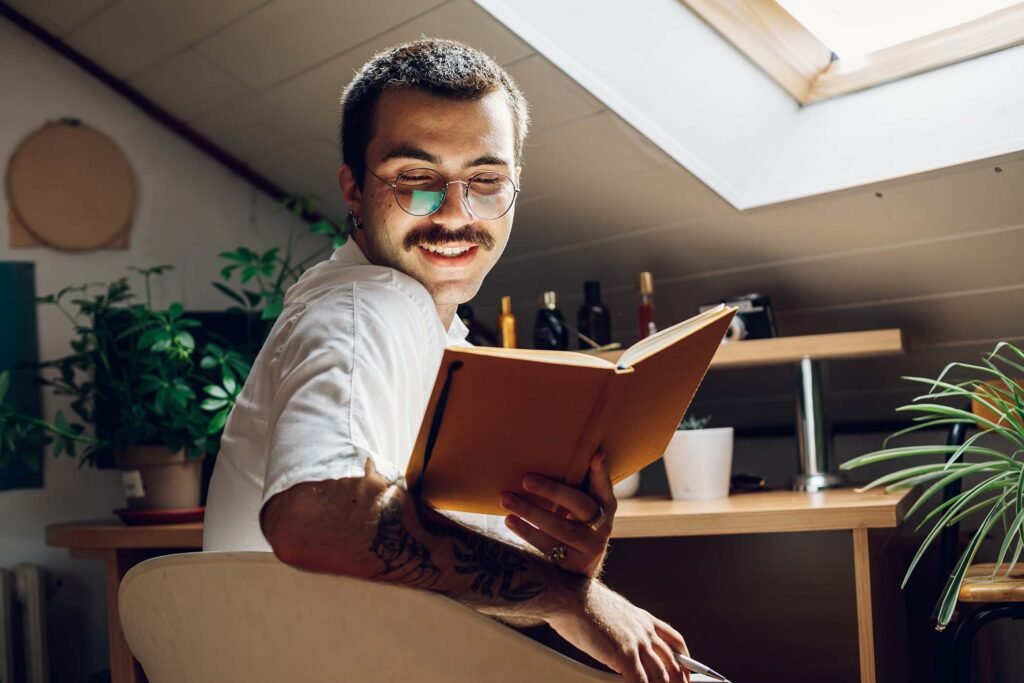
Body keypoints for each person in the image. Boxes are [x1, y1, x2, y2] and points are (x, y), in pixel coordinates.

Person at [203, 38, 690, 683]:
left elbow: (429, 562)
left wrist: (560, 570)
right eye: (416, 179)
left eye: (485, 182)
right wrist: (563, 595)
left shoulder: (434, 335)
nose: (456, 216)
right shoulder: (368, 307)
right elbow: (314, 519)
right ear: (354, 187)